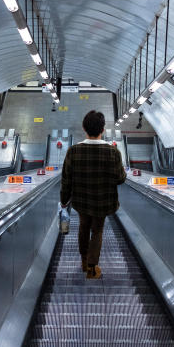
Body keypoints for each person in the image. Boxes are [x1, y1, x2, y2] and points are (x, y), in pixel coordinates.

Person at [60, 110, 127, 279]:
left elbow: (66, 179)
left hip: (82, 201)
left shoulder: (73, 151)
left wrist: (63, 200)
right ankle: (91, 268)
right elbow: (120, 179)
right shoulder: (113, 152)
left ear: (84, 128)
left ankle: (83, 261)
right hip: (103, 202)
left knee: (83, 227)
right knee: (97, 231)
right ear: (102, 129)